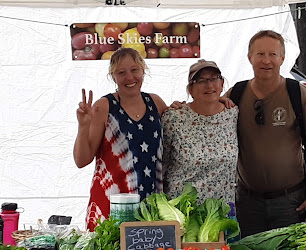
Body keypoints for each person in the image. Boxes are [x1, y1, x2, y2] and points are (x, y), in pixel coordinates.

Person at [226, 30, 306, 237]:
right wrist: (179, 107)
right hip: (247, 203)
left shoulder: (299, 94)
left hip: (291, 203)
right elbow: (206, 113)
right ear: (249, 58)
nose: (267, 61)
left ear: (282, 58)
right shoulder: (236, 94)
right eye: (260, 54)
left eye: (273, 54)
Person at [73, 48, 167, 231]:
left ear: (143, 70)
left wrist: (223, 101)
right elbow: (81, 160)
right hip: (111, 207)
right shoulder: (104, 106)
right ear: (113, 76)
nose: (129, 77)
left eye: (134, 70)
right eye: (121, 73)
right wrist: (83, 126)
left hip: (151, 207)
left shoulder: (156, 103)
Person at [162, 59, 238, 204]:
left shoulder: (233, 113)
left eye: (214, 79)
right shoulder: (173, 117)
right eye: (201, 81)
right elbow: (162, 163)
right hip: (184, 211)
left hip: (222, 211)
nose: (209, 85)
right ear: (190, 89)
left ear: (222, 84)